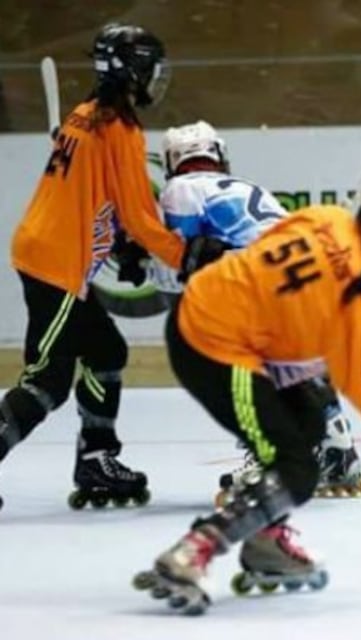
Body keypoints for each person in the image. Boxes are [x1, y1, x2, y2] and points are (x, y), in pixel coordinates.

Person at [133, 166, 361, 615]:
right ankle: (194, 550)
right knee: (295, 469)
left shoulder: (325, 217)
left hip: (218, 319)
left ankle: (266, 541)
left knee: (311, 423)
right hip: (212, 345)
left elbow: (266, 266)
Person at [0, 23, 194, 512]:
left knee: (106, 351)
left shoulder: (84, 116)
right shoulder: (119, 130)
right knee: (46, 381)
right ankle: (92, 456)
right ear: (133, 72)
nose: (156, 80)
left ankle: (96, 458)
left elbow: (95, 196)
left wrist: (122, 248)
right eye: (151, 69)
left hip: (49, 254)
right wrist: (187, 258)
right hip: (56, 265)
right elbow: (140, 215)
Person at [154, 120, 361, 500]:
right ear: (218, 155)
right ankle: (338, 449)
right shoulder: (250, 188)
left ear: (172, 161)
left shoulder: (180, 190)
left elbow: (177, 271)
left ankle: (269, 458)